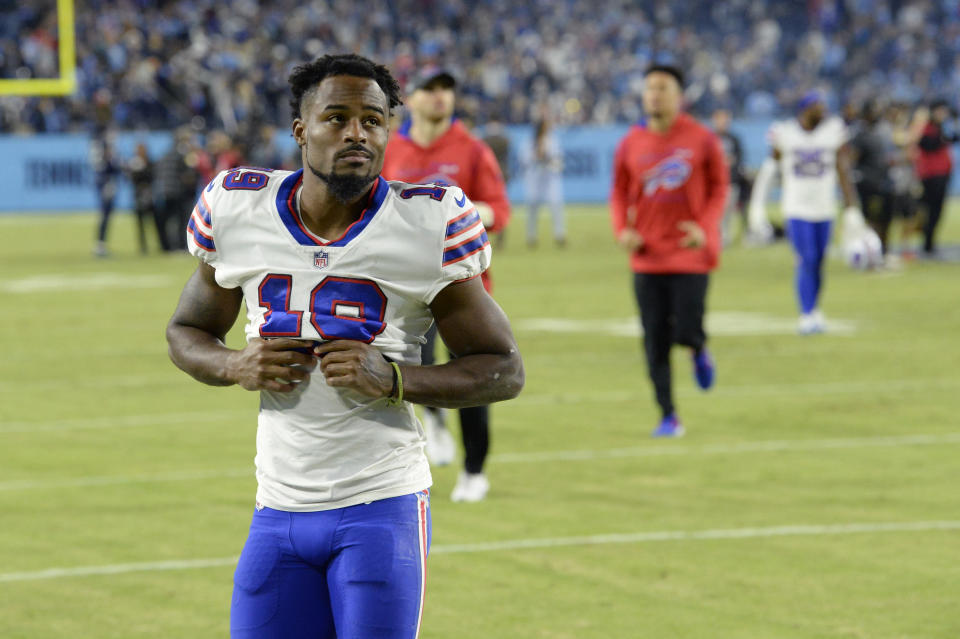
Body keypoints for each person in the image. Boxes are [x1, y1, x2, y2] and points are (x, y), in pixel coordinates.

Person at [165, 54, 524, 639]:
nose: (357, 133)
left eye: (373, 119)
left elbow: (504, 368)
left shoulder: (426, 221)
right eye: (337, 117)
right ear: (301, 129)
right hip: (276, 509)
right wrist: (234, 363)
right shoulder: (239, 207)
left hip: (381, 506)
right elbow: (185, 331)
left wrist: (397, 379)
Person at [381, 67, 511, 502]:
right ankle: (433, 424)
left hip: (461, 285)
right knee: (410, 365)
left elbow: (499, 210)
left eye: (447, 90)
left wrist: (458, 212)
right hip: (402, 283)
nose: (440, 97)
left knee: (474, 376)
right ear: (410, 98)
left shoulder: (472, 150)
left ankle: (475, 470)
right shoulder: (390, 147)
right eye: (430, 89)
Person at [609, 64, 728, 438]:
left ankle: (698, 348)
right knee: (654, 339)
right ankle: (668, 414)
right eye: (649, 89)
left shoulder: (701, 139)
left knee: (687, 328)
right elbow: (617, 192)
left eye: (662, 88)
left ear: (679, 96)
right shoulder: (631, 142)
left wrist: (705, 228)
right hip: (647, 257)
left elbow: (720, 188)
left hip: (691, 254)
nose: (655, 95)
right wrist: (622, 229)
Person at [748, 90, 864, 334]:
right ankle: (806, 313)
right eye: (817, 106)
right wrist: (757, 206)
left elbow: (842, 169)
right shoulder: (786, 133)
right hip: (797, 208)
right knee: (806, 259)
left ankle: (815, 309)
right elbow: (770, 169)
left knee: (819, 262)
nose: (823, 111)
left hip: (824, 208)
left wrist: (851, 208)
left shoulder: (832, 131)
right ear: (805, 109)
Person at [913, 98, 958, 257]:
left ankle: (929, 242)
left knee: (937, 211)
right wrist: (943, 137)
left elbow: (954, 137)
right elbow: (927, 144)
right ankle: (927, 243)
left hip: (943, 174)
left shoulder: (942, 128)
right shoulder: (927, 128)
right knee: (930, 210)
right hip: (931, 175)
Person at [849, 100, 895, 255]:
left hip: (883, 181)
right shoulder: (860, 133)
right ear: (867, 113)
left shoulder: (881, 131)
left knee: (885, 218)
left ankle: (883, 250)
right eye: (874, 110)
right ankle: (871, 252)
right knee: (871, 219)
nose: (878, 113)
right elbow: (852, 158)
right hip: (868, 183)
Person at [524, 115, 567, 248]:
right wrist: (537, 155)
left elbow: (558, 160)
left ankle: (559, 235)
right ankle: (531, 236)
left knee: (556, 204)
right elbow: (525, 160)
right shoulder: (530, 142)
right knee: (532, 206)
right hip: (535, 177)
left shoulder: (552, 141)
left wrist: (548, 159)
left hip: (550, 177)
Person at [711, 108, 749, 245]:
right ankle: (716, 236)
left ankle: (725, 237)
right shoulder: (709, 138)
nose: (723, 122)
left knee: (728, 210)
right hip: (713, 183)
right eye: (720, 119)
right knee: (715, 212)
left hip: (731, 180)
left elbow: (739, 159)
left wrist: (726, 161)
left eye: (726, 119)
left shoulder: (734, 139)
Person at [90, 131, 121, 258]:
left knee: (107, 216)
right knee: (105, 215)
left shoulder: (105, 161)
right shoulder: (103, 162)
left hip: (108, 188)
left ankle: (101, 244)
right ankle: (100, 244)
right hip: (106, 189)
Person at [127, 142, 157, 254]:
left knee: (154, 223)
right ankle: (143, 246)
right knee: (140, 224)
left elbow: (153, 176)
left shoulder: (149, 163)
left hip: (149, 197)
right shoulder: (134, 163)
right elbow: (132, 179)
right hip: (138, 198)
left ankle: (159, 244)